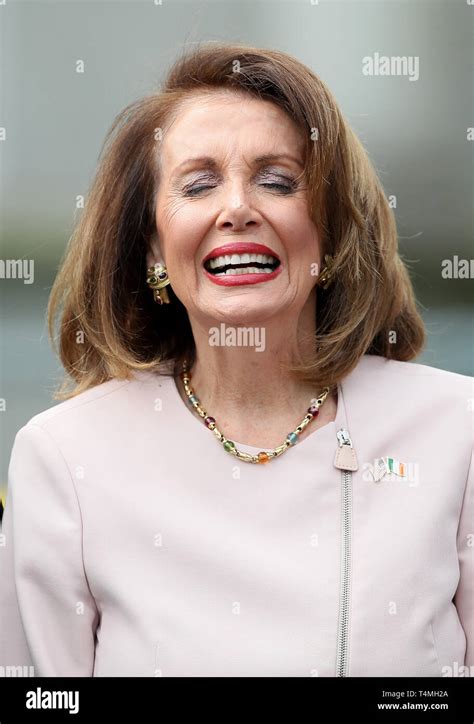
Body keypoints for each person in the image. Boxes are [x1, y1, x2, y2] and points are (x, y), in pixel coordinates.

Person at [0, 42, 472, 678]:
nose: (239, 210)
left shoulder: (457, 429)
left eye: (277, 181)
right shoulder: (62, 459)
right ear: (151, 248)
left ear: (330, 231)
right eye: (198, 185)